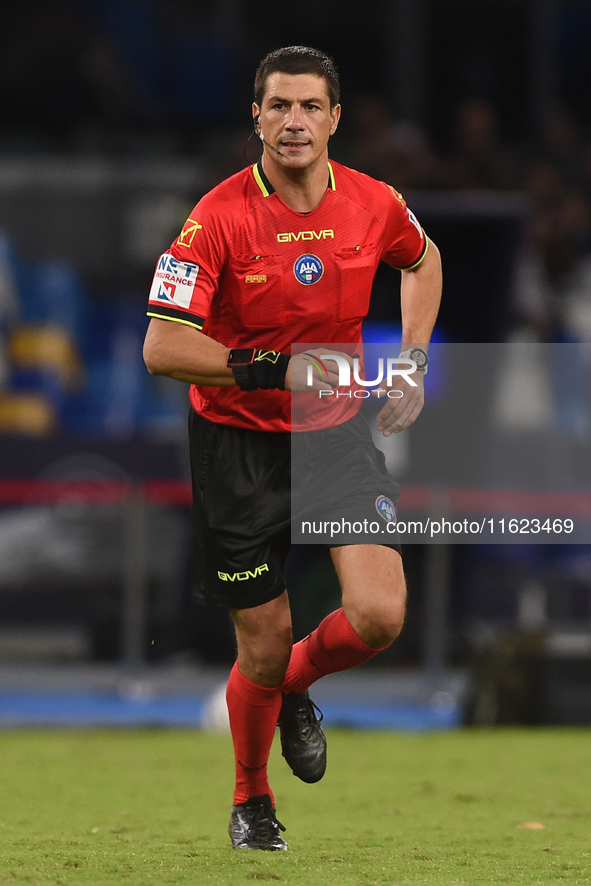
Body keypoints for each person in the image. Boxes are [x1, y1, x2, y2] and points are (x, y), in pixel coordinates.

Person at [143, 45, 442, 851]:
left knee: (378, 615)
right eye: (278, 106)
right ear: (257, 116)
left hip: (334, 434)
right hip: (235, 442)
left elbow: (423, 260)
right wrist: (272, 366)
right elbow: (162, 348)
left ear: (334, 118)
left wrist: (411, 361)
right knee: (262, 643)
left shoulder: (373, 203)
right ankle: (250, 800)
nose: (294, 122)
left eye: (310, 106)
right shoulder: (217, 217)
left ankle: (293, 690)